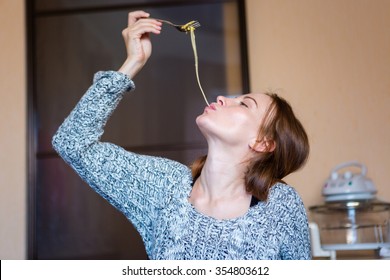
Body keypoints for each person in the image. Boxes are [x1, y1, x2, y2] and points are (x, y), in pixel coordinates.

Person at [52, 10, 311, 260]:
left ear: (263, 143)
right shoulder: (163, 186)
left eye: (244, 104)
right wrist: (132, 62)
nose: (223, 98)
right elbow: (72, 142)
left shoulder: (281, 205)